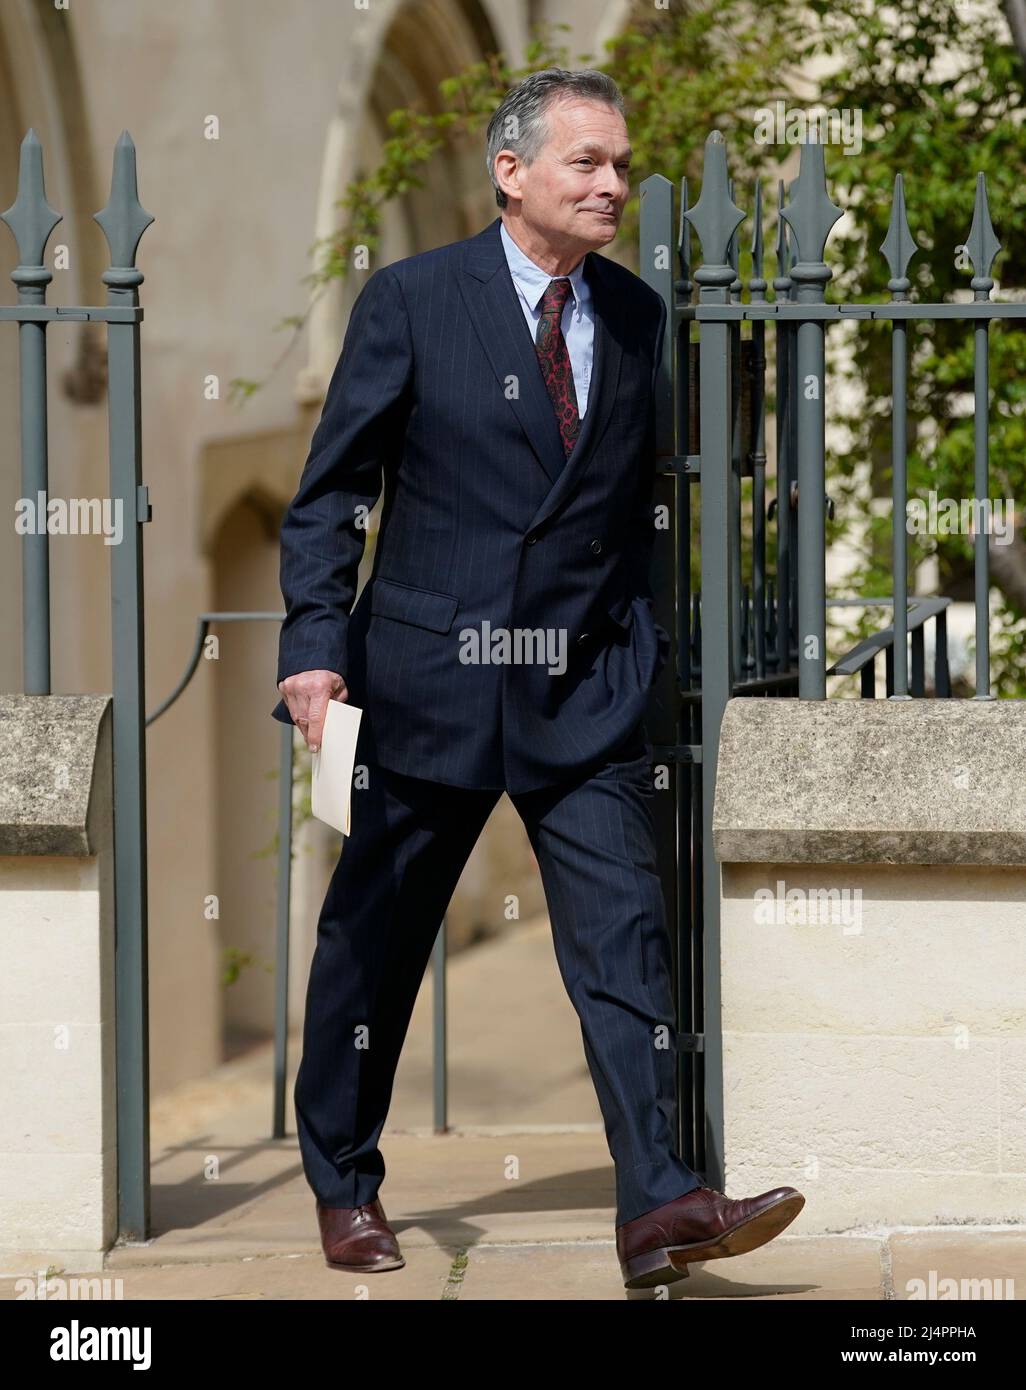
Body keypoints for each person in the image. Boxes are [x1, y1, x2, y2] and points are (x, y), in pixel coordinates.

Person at [273, 66, 803, 1291]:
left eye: (621, 164)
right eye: (589, 163)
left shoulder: (635, 314)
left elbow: (640, 500)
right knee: (374, 949)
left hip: (586, 694)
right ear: (513, 173)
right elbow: (332, 496)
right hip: (423, 687)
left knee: (627, 950)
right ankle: (344, 1182)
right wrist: (314, 648)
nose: (616, 183)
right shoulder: (410, 302)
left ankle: (660, 1205)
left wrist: (645, 648)